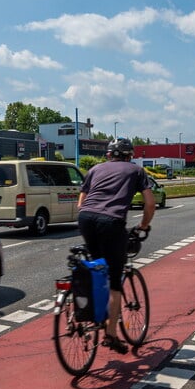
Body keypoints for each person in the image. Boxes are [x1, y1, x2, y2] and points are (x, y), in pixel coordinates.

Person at [76, 137, 155, 354]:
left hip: (85, 218)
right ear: (130, 155)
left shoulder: (94, 169)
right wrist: (143, 226)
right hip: (111, 222)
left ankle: (91, 313)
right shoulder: (136, 171)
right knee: (114, 281)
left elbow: (81, 203)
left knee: (97, 267)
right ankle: (111, 335)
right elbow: (150, 203)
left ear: (108, 155)